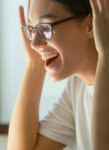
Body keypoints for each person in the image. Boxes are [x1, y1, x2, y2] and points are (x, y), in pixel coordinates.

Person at [8, 0, 109, 149]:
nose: (34, 44)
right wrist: (33, 63)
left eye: (45, 28)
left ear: (90, 24)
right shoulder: (77, 87)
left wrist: (106, 55)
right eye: (32, 30)